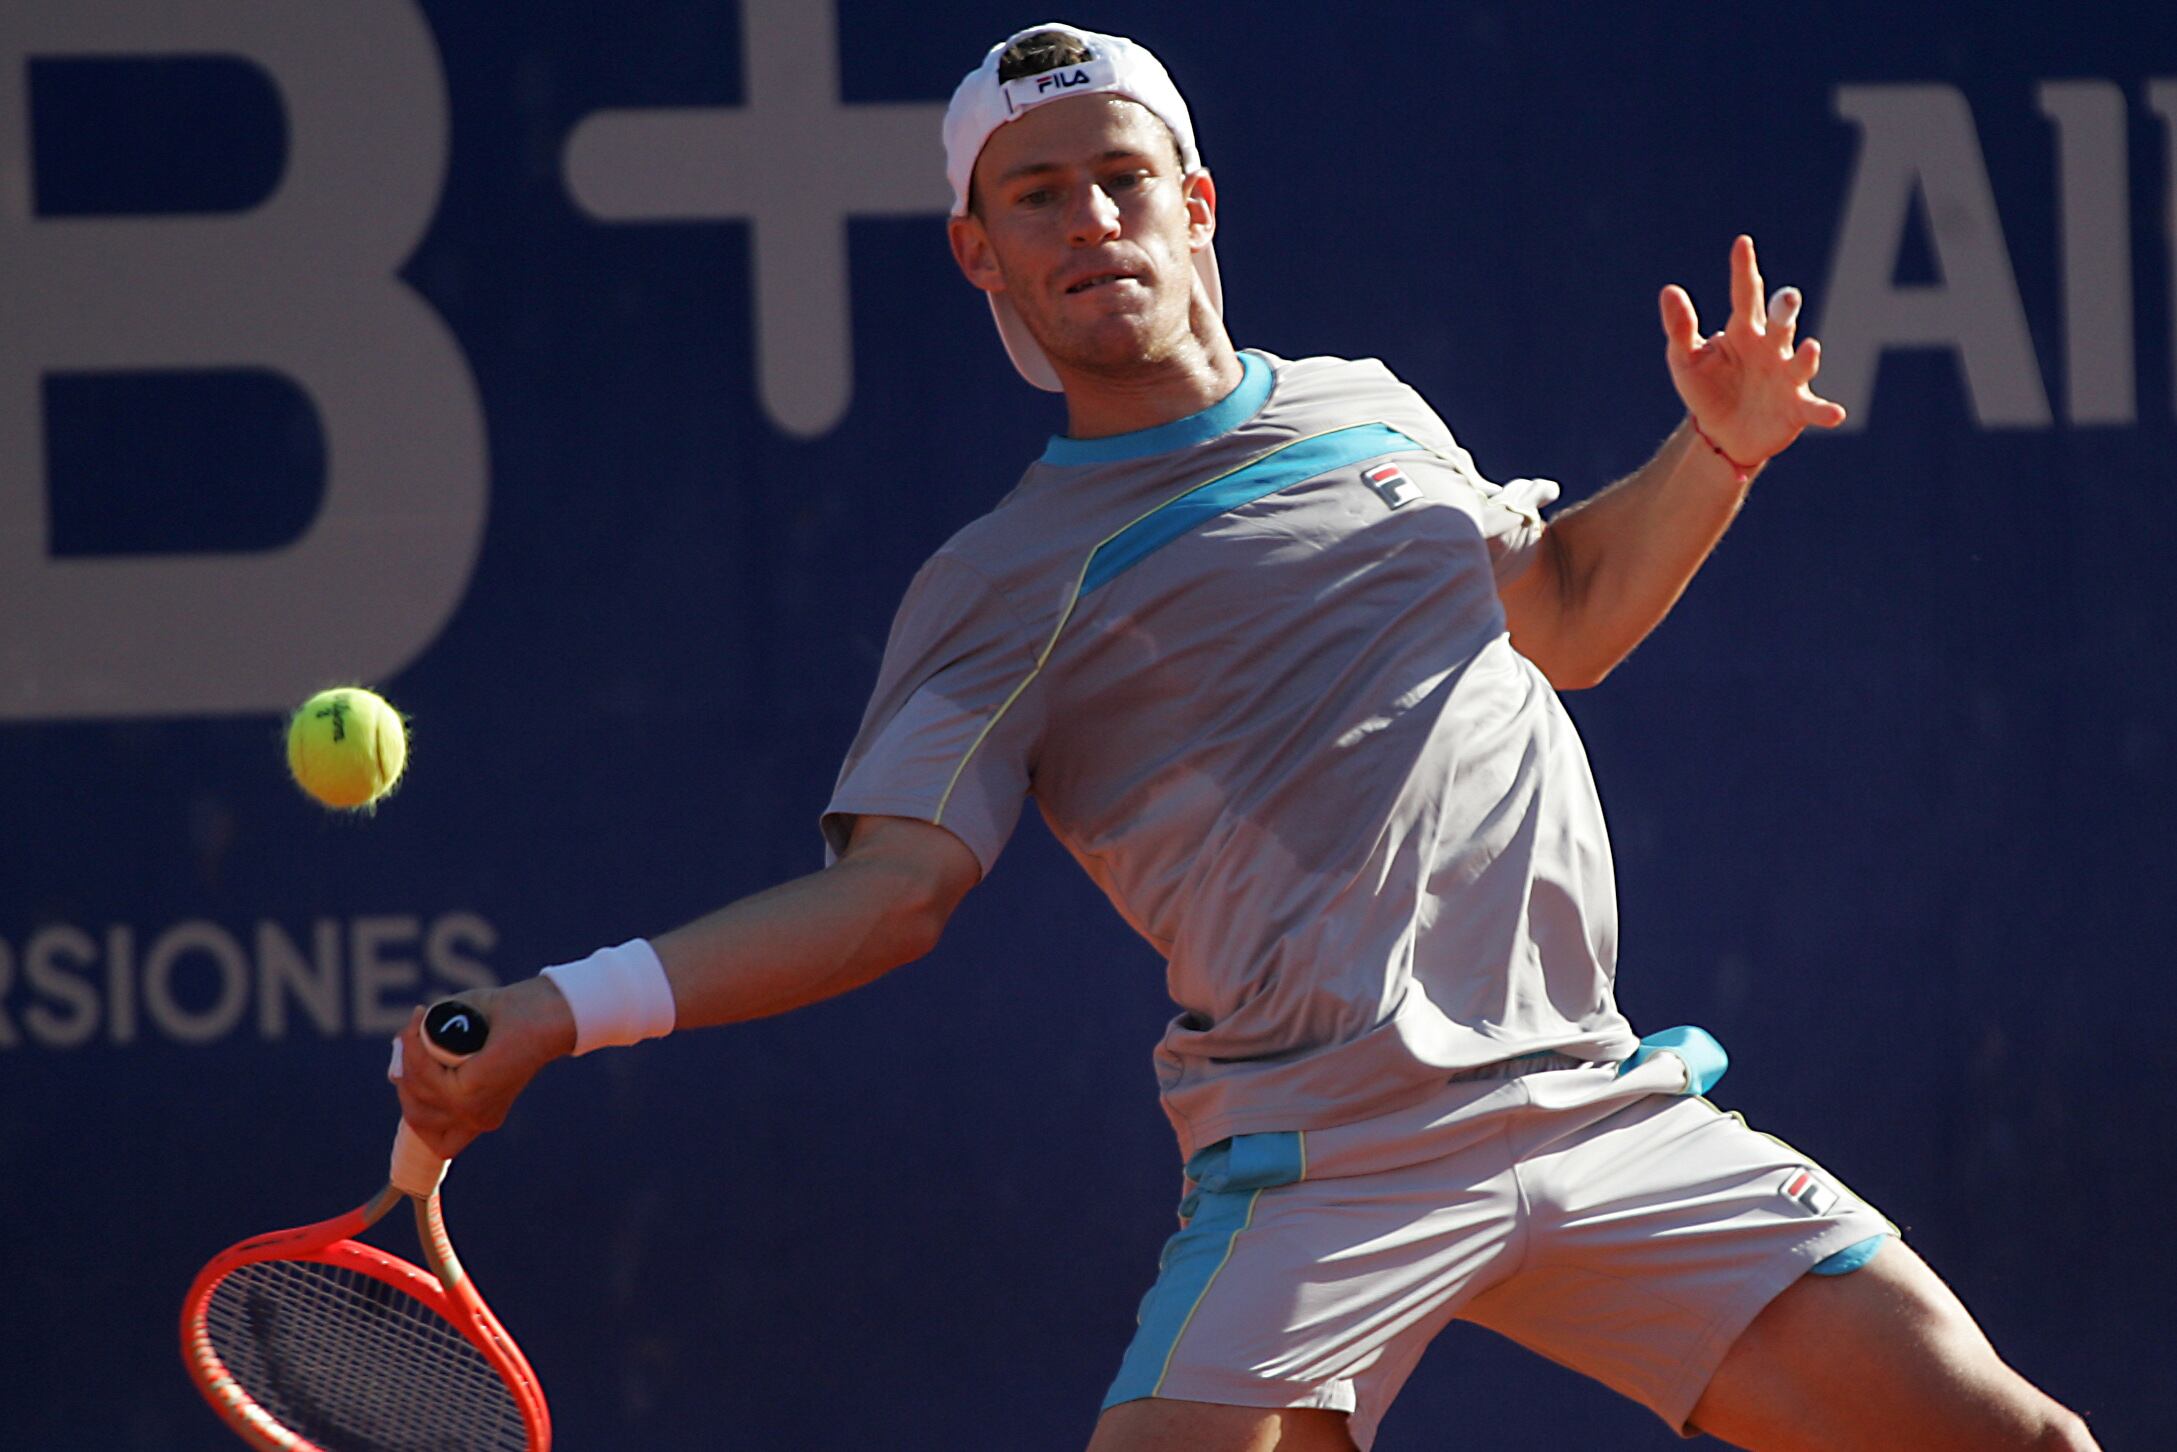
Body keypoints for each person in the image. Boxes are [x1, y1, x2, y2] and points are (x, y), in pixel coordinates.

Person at [393, 22, 2100, 1452]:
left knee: (2015, 1443)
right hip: (1322, 1163)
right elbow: (888, 898)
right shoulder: (1000, 583)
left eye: (1119, 179)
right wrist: (557, 1008)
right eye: (1034, 196)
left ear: (1192, 203)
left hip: (1595, 1105)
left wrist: (1711, 452)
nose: (1088, 221)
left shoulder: (1371, 408)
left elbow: (1567, 611)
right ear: (980, 253)